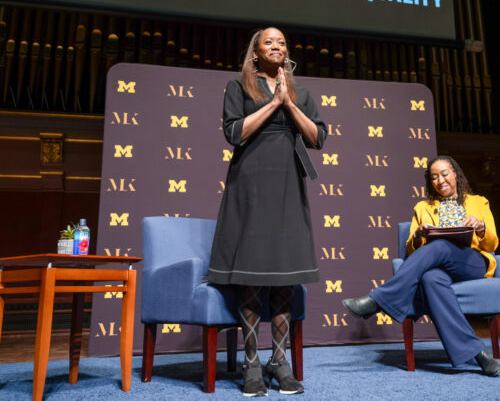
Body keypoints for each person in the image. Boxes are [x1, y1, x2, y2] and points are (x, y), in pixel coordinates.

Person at [207, 27, 327, 396]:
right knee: (253, 270)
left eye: (282, 43)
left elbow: (317, 138)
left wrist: (289, 102)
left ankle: (279, 360)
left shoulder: (301, 93)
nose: (277, 47)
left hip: (289, 187)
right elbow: (234, 132)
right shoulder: (238, 86)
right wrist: (273, 104)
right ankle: (251, 362)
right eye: (268, 42)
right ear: (255, 53)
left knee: (283, 272)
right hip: (251, 185)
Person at [342, 155, 500, 376]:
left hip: (471, 262)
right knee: (430, 278)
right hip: (439, 266)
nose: (440, 180)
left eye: (444, 174)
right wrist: (417, 236)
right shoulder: (422, 207)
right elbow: (412, 251)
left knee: (441, 246)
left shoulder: (478, 201)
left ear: (455, 173)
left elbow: (492, 243)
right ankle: (480, 355)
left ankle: (379, 300)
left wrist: (480, 226)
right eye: (434, 177)